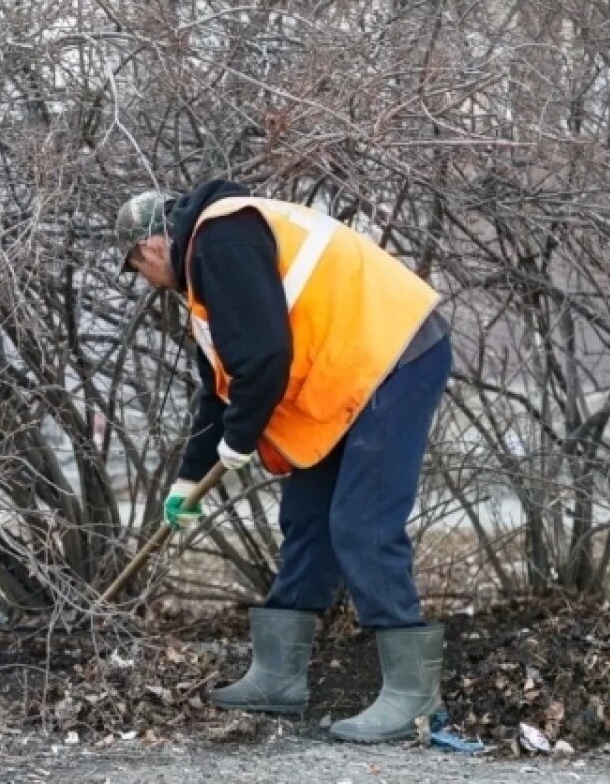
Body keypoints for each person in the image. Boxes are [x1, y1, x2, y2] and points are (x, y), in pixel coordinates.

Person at [112, 179, 452, 743]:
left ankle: (413, 697)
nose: (146, 282)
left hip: (393, 357)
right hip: (343, 375)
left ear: (149, 247)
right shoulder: (207, 270)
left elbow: (266, 355)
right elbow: (219, 388)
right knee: (307, 516)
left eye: (137, 269)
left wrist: (242, 439)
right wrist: (189, 480)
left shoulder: (221, 239)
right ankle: (278, 676)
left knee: (361, 522)